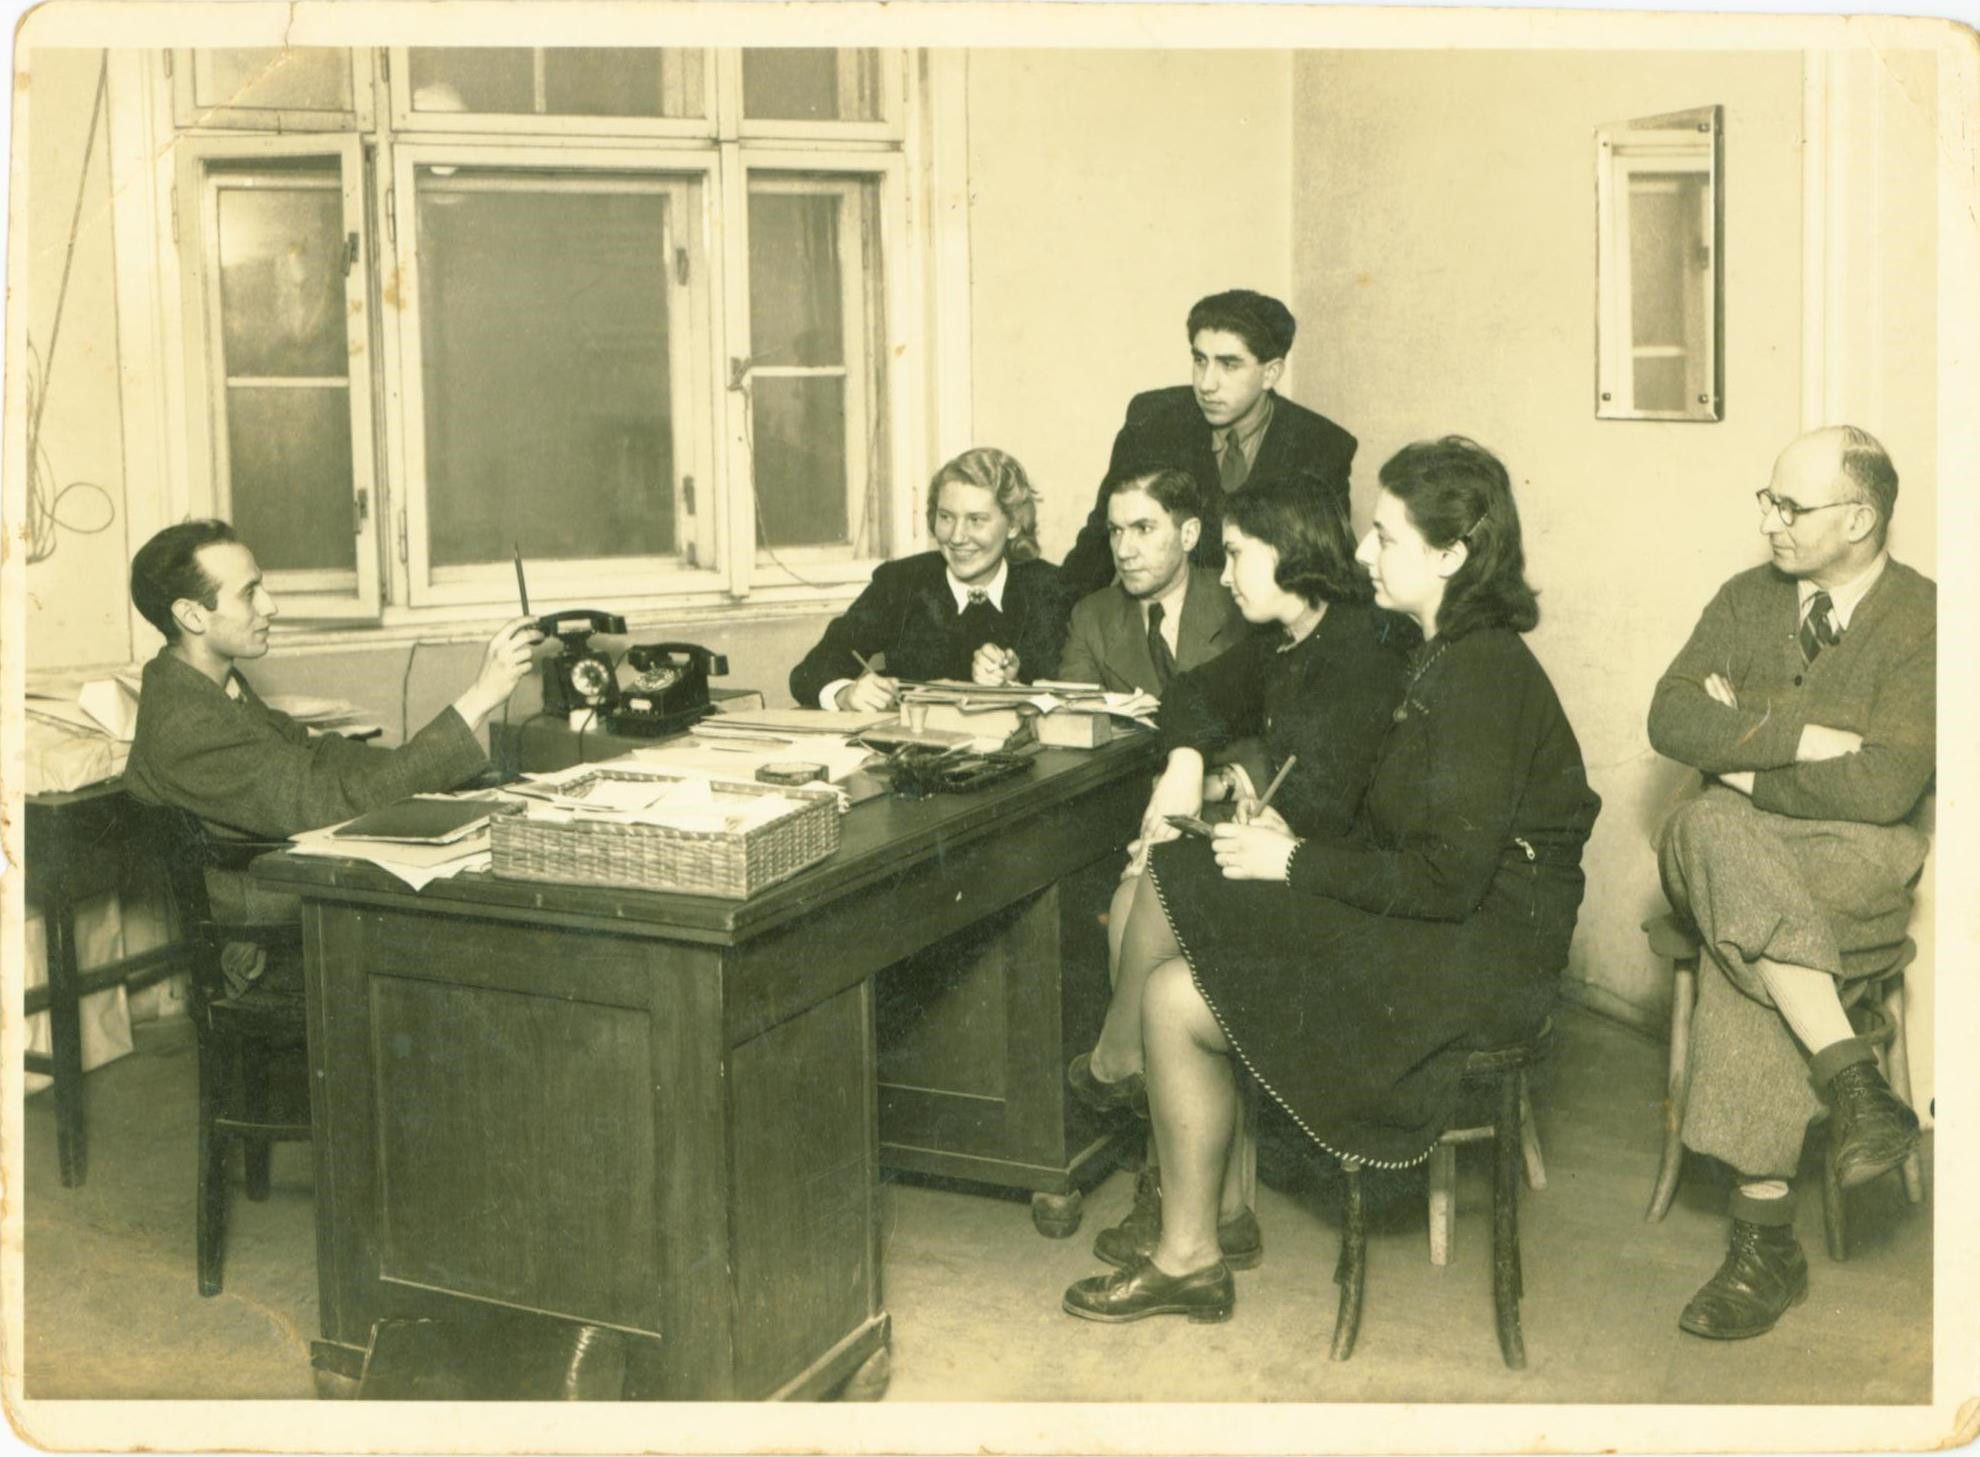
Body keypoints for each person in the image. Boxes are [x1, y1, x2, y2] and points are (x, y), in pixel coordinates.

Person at [1062, 436, 1599, 1323]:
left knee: (1183, 872)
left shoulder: (1481, 673)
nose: (1359, 554)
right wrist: (1283, 836)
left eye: (1384, 537)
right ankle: (1192, 1255)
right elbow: (1400, 830)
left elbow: (1450, 878)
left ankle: (1109, 1074)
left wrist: (1294, 860)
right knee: (1170, 992)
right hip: (1435, 927)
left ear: (1453, 553)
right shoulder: (1433, 650)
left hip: (1478, 962)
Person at [1063, 472, 1417, 1276]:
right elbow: (1192, 695)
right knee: (1138, 894)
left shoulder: (1363, 644)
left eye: (1238, 556)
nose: (1224, 575)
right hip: (1293, 860)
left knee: (1157, 880)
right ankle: (1212, 1199)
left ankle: (1117, 1065)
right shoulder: (1284, 637)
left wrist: (1250, 804)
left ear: (1292, 554)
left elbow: (1337, 804)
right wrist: (1188, 763)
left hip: (1344, 891)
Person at [1647, 425, 1933, 1342]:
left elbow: (1887, 784)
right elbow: (1669, 714)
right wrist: (1810, 738)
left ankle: (1765, 1246)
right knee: (1706, 831)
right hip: (1741, 846)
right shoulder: (1746, 597)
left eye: (1790, 505)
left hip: (1857, 857)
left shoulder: (1929, 619)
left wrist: (1740, 750)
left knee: (1743, 925)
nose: (1768, 520)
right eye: (1766, 499)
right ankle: (1854, 1081)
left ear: (1860, 517)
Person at [124, 519, 540, 980]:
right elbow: (327, 801)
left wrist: (463, 779)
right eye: (249, 593)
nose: (271, 606)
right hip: (270, 940)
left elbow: (318, 758)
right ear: (192, 615)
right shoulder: (187, 722)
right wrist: (478, 699)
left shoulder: (210, 687)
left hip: (292, 890)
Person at [1059, 289, 1357, 599]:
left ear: (1271, 373)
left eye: (1229, 365)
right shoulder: (1153, 423)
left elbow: (1327, 574)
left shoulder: (1320, 445)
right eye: (1200, 360)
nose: (1206, 384)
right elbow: (1095, 552)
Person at [788, 448, 1070, 711]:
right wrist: (845, 694)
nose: (956, 537)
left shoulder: (1048, 589)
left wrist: (1014, 680)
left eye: (976, 520)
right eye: (946, 517)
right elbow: (809, 672)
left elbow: (1071, 693)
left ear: (1013, 526)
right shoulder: (900, 583)